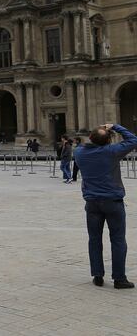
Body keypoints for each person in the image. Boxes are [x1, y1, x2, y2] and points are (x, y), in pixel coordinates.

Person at [74, 123, 137, 288]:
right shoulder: (111, 152)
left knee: (94, 240)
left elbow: (86, 144)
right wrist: (115, 126)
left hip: (92, 202)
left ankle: (97, 275)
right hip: (112, 202)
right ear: (108, 140)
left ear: (91, 137)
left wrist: (102, 134)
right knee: (117, 239)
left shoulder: (79, 152)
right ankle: (119, 279)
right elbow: (133, 140)